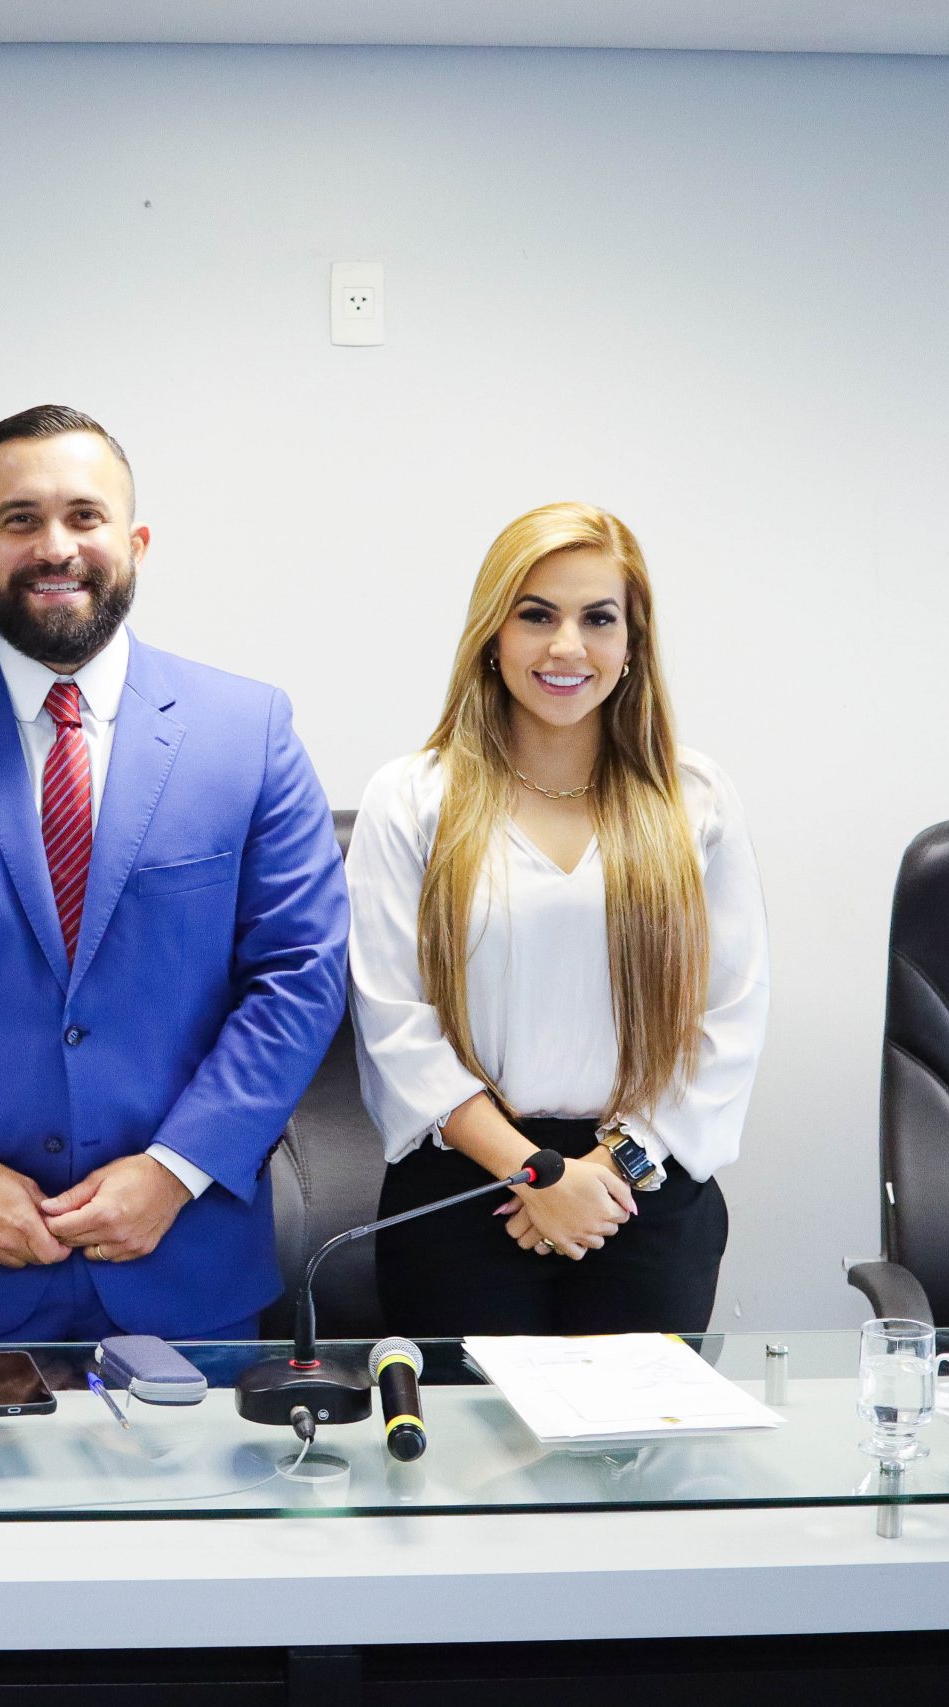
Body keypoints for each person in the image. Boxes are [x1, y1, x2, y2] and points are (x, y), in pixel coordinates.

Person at [0, 405, 349, 1342]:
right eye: (21, 520)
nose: (55, 546)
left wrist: (175, 1170)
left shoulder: (249, 731)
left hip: (185, 1265)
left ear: (136, 542)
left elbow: (300, 972)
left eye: (85, 516)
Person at [346, 502, 767, 1337]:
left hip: (642, 1187)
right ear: (492, 637)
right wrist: (538, 1173)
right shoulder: (412, 798)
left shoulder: (695, 800)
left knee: (636, 1426)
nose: (567, 646)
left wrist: (607, 1169)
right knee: (475, 1426)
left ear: (632, 643)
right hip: (468, 1189)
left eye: (598, 618)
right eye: (536, 615)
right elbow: (393, 1022)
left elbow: (730, 1018)